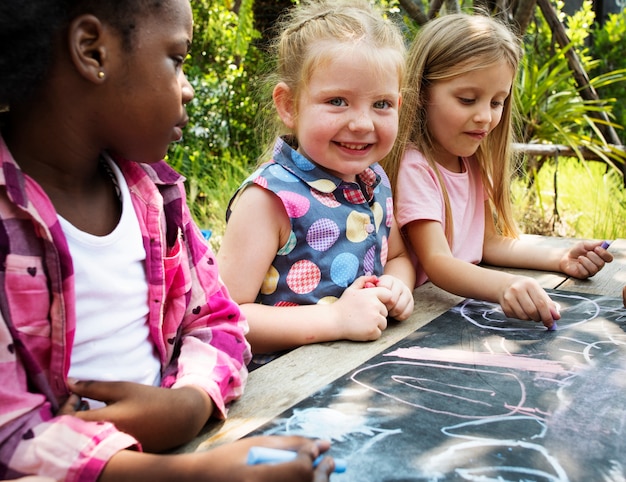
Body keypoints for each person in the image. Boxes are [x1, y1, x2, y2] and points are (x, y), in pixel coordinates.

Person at [0, 1, 334, 480]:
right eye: (176, 59)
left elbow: (218, 319)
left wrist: (189, 402)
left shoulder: (156, 195)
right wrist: (196, 474)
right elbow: (10, 437)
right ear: (93, 51)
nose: (188, 88)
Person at [381, 12, 613, 329]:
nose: (485, 117)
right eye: (467, 99)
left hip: (452, 311)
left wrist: (559, 258)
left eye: (497, 102)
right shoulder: (415, 167)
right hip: (417, 320)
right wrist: (503, 286)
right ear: (422, 93)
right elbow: (438, 263)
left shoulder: (472, 162)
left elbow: (487, 243)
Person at [217, 0, 415, 366]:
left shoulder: (375, 181)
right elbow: (224, 318)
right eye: (338, 101)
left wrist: (396, 285)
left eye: (382, 104)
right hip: (281, 390)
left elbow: (399, 256)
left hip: (358, 373)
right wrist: (335, 319)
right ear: (289, 105)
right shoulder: (270, 198)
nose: (362, 123)